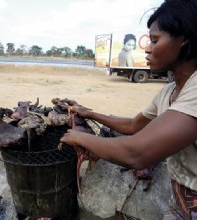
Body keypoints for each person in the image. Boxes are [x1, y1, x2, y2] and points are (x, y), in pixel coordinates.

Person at [60, 0, 197, 218]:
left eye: (155, 40)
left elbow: (137, 152)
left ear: (183, 39)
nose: (148, 48)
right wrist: (90, 113)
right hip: (180, 200)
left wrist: (80, 138)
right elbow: (134, 125)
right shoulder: (168, 91)